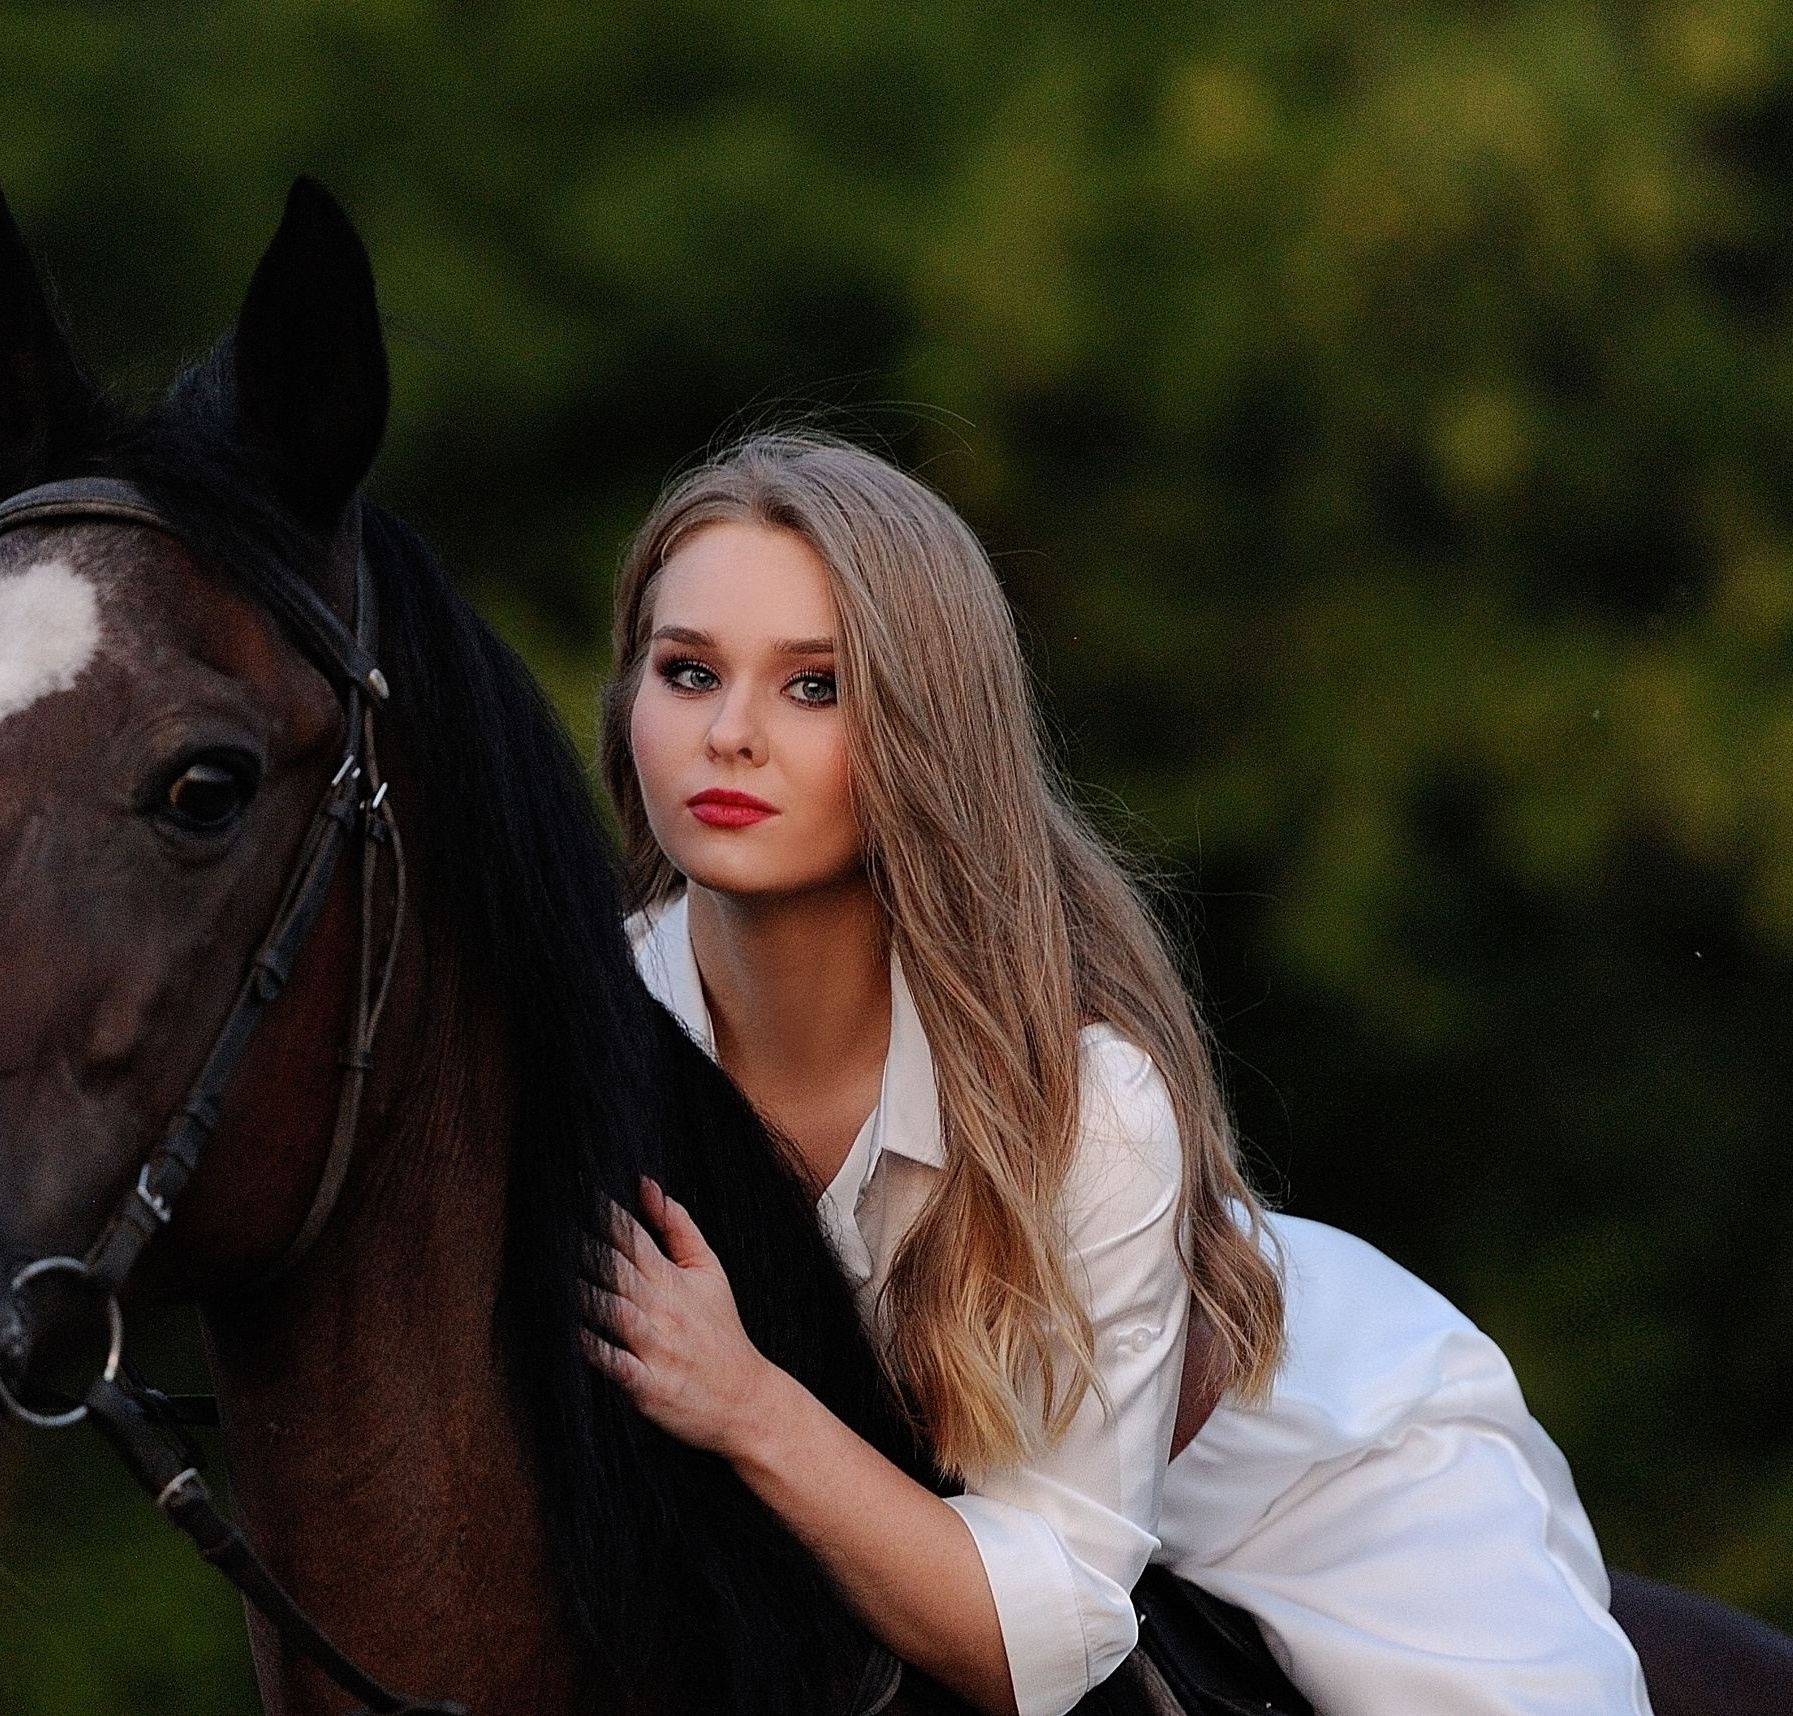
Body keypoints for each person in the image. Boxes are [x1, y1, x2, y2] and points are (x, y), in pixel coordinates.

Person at [580, 431, 1652, 1716]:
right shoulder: (589, 1020)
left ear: (927, 727)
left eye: (815, 688)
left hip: (1295, 1484)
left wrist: (745, 1403)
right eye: (687, 671)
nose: (731, 735)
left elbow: (1045, 1635)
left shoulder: (1091, 1106)